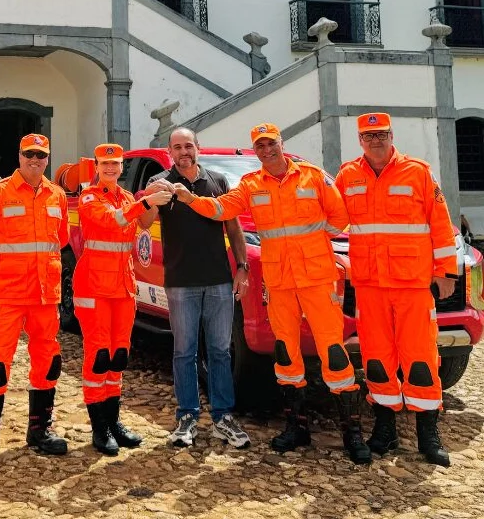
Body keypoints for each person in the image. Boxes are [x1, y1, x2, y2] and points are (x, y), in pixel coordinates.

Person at [175, 122, 371, 464]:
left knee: (333, 351)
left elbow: (340, 217)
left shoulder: (312, 176)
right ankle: (296, 427)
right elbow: (222, 209)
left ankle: (351, 433)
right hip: (279, 281)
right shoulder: (251, 185)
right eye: (260, 146)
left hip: (316, 277)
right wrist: (191, 199)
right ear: (256, 151)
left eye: (271, 144)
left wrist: (312, 243)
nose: (267, 150)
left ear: (281, 143)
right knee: (286, 353)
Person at [336, 112, 457, 467]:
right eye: (369, 135)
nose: (375, 140)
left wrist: (446, 271)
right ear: (360, 140)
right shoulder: (347, 176)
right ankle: (385, 430)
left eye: (381, 134)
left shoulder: (418, 172)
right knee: (377, 359)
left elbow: (441, 224)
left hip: (411, 284)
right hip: (370, 285)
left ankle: (427, 435)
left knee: (420, 358)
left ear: (391, 136)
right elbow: (328, 217)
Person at [141, 127, 251, 450]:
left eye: (188, 145)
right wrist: (151, 199)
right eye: (177, 147)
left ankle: (223, 418)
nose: (183, 152)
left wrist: (242, 267)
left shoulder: (218, 181)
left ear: (197, 148)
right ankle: (187, 416)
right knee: (184, 352)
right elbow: (144, 223)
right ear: (170, 152)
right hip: (180, 282)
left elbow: (233, 226)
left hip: (219, 280)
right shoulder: (160, 182)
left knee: (220, 352)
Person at [0, 133, 69, 465]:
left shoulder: (57, 195)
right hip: (10, 294)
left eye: (41, 155)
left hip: (45, 295)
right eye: (29, 154)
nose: (35, 160)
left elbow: (61, 239)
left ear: (47, 159)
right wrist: (11, 264)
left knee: (48, 363)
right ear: (19, 155)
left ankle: (40, 430)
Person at [75, 143, 172, 455]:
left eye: (115, 164)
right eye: (105, 164)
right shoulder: (89, 197)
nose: (110, 169)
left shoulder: (128, 197)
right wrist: (146, 202)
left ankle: (113, 421)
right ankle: (99, 428)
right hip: (94, 287)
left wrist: (154, 197)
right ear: (97, 167)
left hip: (122, 286)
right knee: (99, 354)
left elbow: (144, 222)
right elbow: (112, 220)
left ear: (120, 167)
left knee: (118, 354)